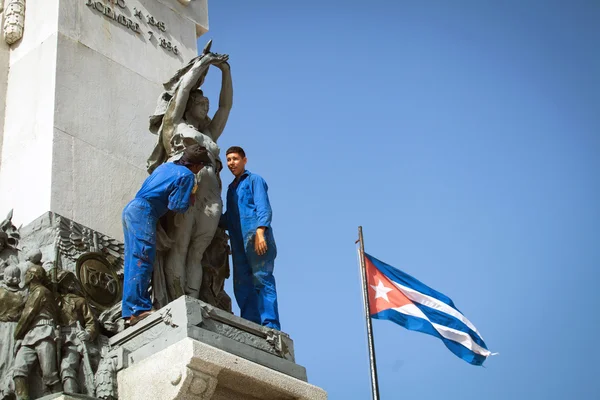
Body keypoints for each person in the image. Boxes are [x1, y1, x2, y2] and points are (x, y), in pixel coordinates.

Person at [147, 48, 232, 304]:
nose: (205, 104)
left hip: (211, 197)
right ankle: (176, 304)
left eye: (206, 102)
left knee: (197, 254)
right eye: (200, 101)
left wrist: (225, 72)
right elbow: (182, 92)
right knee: (180, 247)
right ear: (188, 106)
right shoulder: (175, 126)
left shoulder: (210, 134)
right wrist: (202, 64)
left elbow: (226, 106)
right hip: (187, 192)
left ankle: (194, 304)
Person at [121, 144, 210, 325]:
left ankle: (129, 310)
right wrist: (190, 198)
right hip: (145, 212)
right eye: (201, 165)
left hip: (132, 209)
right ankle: (139, 309)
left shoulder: (166, 167)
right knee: (142, 258)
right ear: (197, 165)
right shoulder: (187, 176)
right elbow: (176, 205)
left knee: (132, 258)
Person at [221, 146, 280, 330]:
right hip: (238, 243)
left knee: (262, 279)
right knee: (242, 284)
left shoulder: (254, 180)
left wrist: (261, 232)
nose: (232, 163)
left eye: (235, 159)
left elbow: (263, 207)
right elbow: (228, 217)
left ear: (244, 160)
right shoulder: (231, 189)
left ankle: (270, 324)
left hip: (256, 237)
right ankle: (251, 324)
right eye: (229, 159)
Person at [13, 265, 61, 399]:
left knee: (49, 375)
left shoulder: (40, 292)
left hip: (44, 332)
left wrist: (16, 335)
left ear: (33, 276)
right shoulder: (32, 293)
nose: (25, 275)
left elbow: (28, 315)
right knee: (18, 370)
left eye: (28, 273)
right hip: (30, 336)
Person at [55, 270, 97, 394]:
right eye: (67, 282)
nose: (71, 284)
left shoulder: (80, 301)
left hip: (72, 339)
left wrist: (88, 334)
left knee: (67, 368)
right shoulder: (54, 302)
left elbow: (91, 321)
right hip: (56, 339)